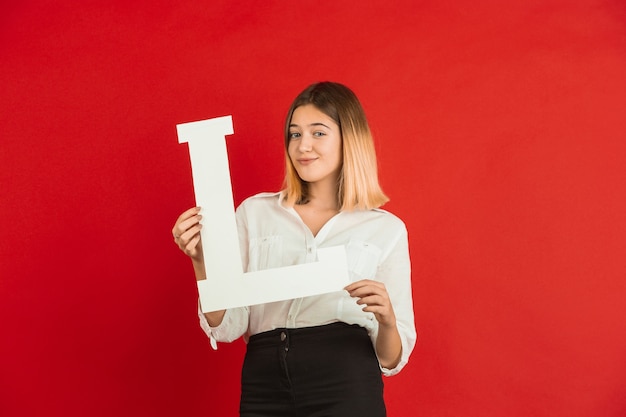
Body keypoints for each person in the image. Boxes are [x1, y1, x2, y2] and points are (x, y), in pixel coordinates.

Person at [172, 81, 416, 417]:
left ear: (350, 139)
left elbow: (390, 358)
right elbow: (228, 326)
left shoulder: (385, 229)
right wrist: (202, 260)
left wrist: (387, 319)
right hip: (265, 381)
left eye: (318, 133)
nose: (303, 146)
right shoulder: (255, 213)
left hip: (345, 381)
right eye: (295, 133)